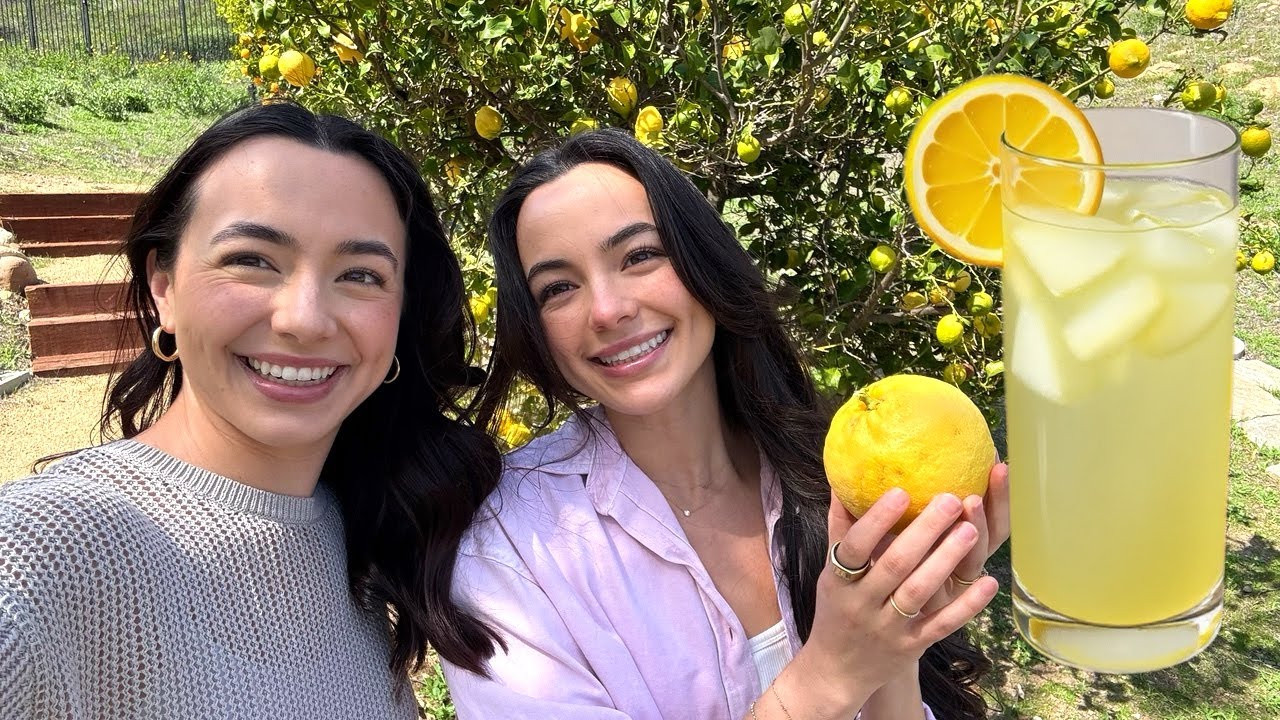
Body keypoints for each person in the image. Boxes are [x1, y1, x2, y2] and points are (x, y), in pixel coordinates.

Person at [442, 128, 1011, 719]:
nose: (608, 310)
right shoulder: (509, 546)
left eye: (640, 256)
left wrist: (897, 637)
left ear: (701, 261)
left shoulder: (833, 474)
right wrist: (830, 675)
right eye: (558, 288)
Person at [0, 102, 503, 718]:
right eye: (252, 261)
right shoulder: (42, 551)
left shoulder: (359, 535)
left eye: (361, 274)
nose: (305, 320)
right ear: (165, 287)